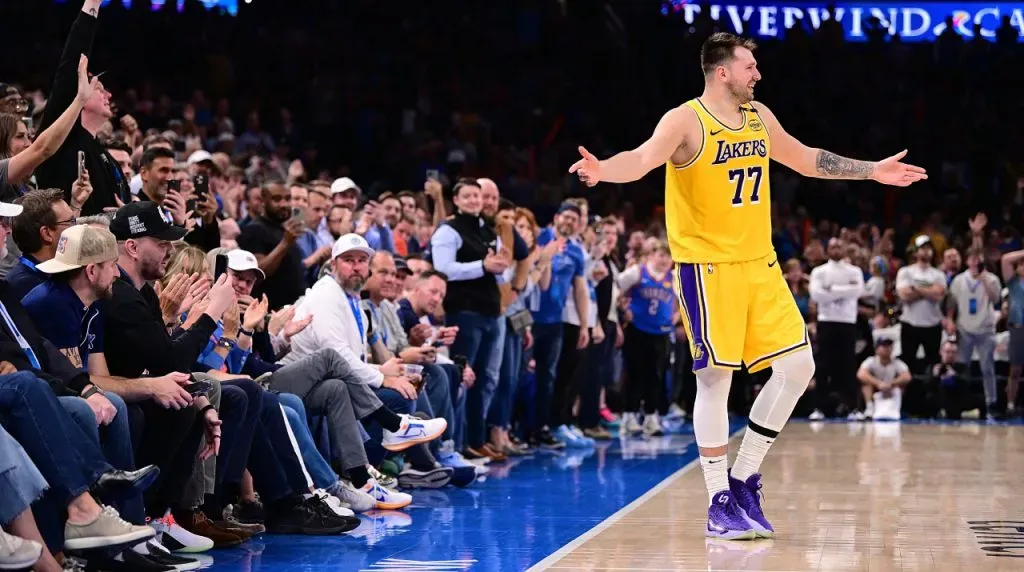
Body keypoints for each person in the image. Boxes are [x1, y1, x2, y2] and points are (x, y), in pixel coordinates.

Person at [567, 32, 926, 539]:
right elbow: (643, 158)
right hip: (707, 267)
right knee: (715, 378)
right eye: (749, 67)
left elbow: (804, 157)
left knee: (800, 367)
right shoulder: (685, 120)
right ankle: (717, 501)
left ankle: (743, 476)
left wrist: (872, 172)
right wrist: (603, 171)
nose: (757, 74)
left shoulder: (759, 117)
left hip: (760, 263)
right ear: (722, 72)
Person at [617, 241, 676, 437]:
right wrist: (623, 309)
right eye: (660, 255)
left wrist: (675, 319)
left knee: (656, 376)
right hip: (637, 330)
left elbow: (686, 303)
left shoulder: (674, 278)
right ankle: (629, 415)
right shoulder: (637, 272)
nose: (664, 260)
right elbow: (615, 287)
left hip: (661, 333)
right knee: (634, 374)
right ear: (651, 256)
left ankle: (651, 417)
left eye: (667, 256)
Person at [809, 238, 865, 419]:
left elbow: (857, 292)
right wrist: (845, 290)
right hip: (826, 321)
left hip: (847, 322)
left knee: (848, 366)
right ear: (827, 249)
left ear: (844, 249)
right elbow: (817, 295)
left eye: (839, 246)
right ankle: (819, 408)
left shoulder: (854, 271)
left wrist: (831, 290)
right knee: (823, 366)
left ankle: (851, 408)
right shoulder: (819, 271)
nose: (835, 249)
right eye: (832, 246)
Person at [946, 246, 1001, 418]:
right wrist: (949, 319)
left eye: (979, 258)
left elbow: (995, 298)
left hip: (986, 329)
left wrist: (983, 278)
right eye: (972, 258)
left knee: (987, 368)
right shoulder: (959, 280)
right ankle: (961, 403)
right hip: (964, 328)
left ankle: (991, 402)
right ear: (967, 260)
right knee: (962, 367)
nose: (975, 261)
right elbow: (951, 303)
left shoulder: (992, 279)